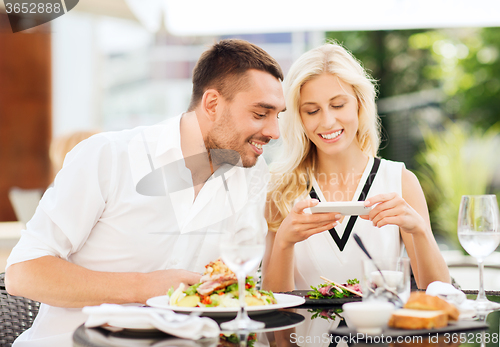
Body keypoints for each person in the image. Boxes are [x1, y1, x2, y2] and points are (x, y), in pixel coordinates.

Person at [5, 39, 286, 346]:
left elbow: (226, 297)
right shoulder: (108, 156)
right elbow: (24, 273)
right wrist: (142, 286)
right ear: (212, 104)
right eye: (261, 114)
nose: (274, 132)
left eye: (278, 116)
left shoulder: (251, 177)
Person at [262, 42, 450, 293]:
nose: (327, 121)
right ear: (299, 117)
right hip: (304, 334)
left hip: (381, 332)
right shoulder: (280, 188)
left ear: (360, 105)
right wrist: (284, 242)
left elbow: (441, 294)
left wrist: (419, 231)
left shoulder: (400, 181)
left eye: (338, 105)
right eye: (312, 110)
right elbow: (272, 310)